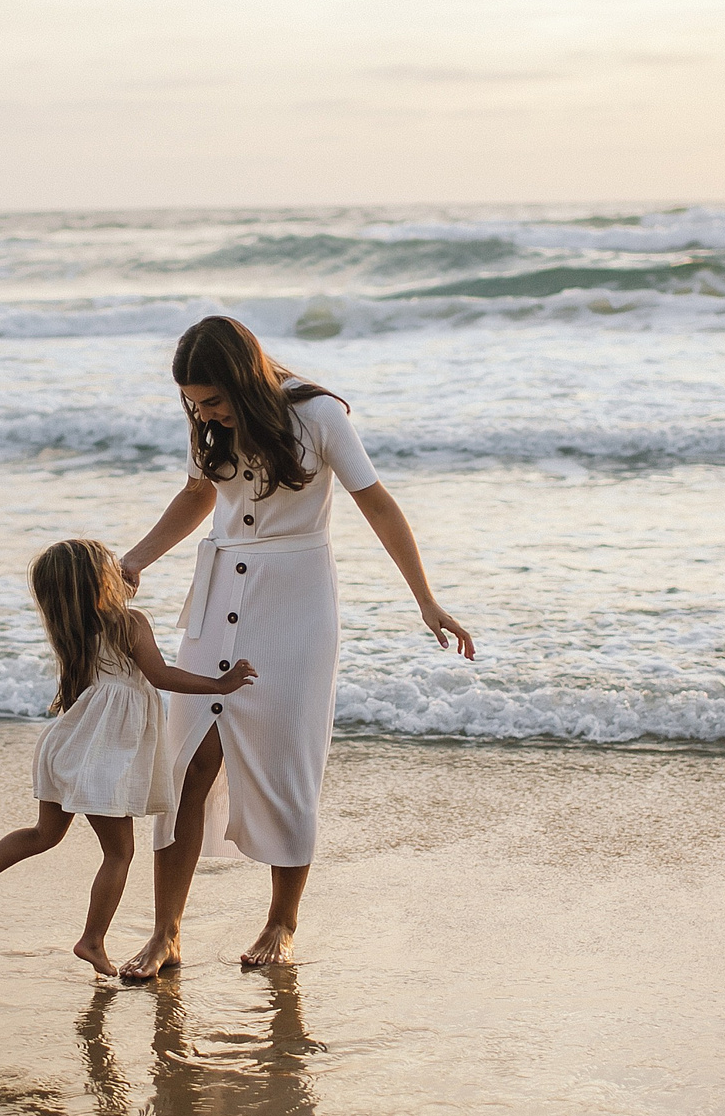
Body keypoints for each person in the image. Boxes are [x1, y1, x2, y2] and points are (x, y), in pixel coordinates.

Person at [117, 316, 473, 979]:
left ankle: (282, 919)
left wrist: (425, 598)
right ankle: (166, 932)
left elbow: (380, 505)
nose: (204, 413)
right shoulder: (209, 424)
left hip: (296, 604)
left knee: (286, 760)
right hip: (219, 594)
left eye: (214, 400)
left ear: (244, 380)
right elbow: (198, 494)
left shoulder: (318, 416)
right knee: (186, 764)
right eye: (194, 404)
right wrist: (136, 558)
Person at [0, 537, 256, 976]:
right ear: (100, 582)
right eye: (111, 566)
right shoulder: (129, 624)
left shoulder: (73, 633)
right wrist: (220, 684)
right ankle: (91, 940)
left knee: (43, 834)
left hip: (68, 746)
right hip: (100, 758)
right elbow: (162, 675)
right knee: (119, 854)